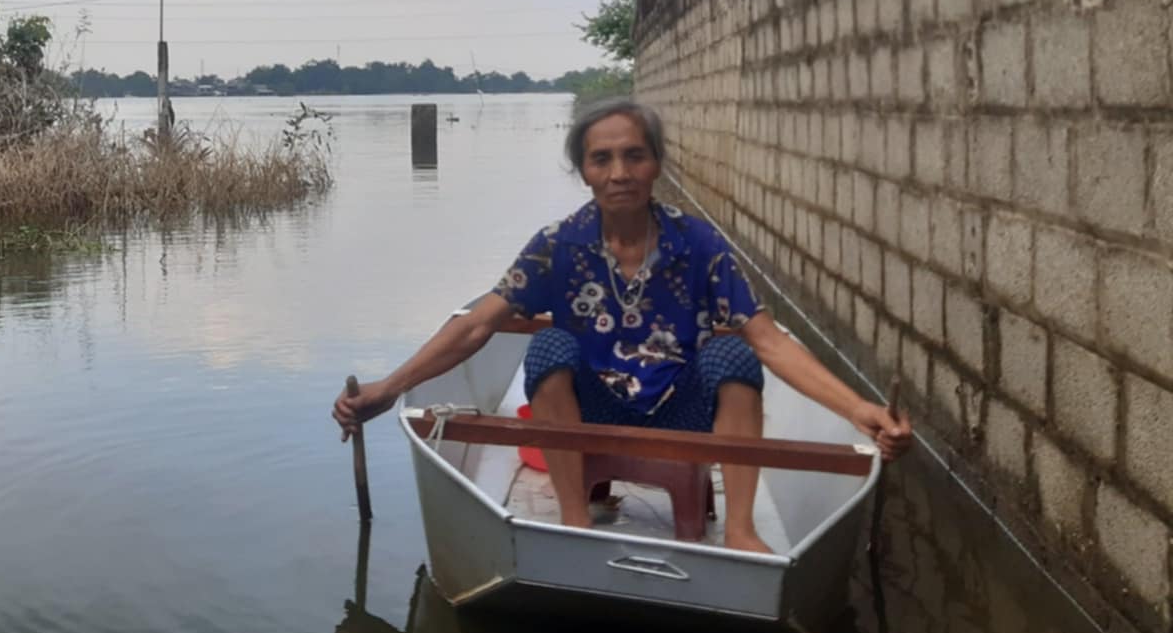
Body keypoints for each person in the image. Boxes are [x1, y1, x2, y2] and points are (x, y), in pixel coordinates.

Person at [332, 97, 912, 553]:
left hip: (680, 408)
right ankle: (575, 521)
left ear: (656, 163)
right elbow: (477, 326)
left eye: (634, 155)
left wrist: (861, 412)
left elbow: (766, 340)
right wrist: (389, 389)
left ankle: (739, 530)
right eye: (601, 159)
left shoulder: (699, 243)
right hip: (589, 409)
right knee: (550, 348)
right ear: (583, 171)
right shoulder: (558, 245)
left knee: (731, 358)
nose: (619, 173)